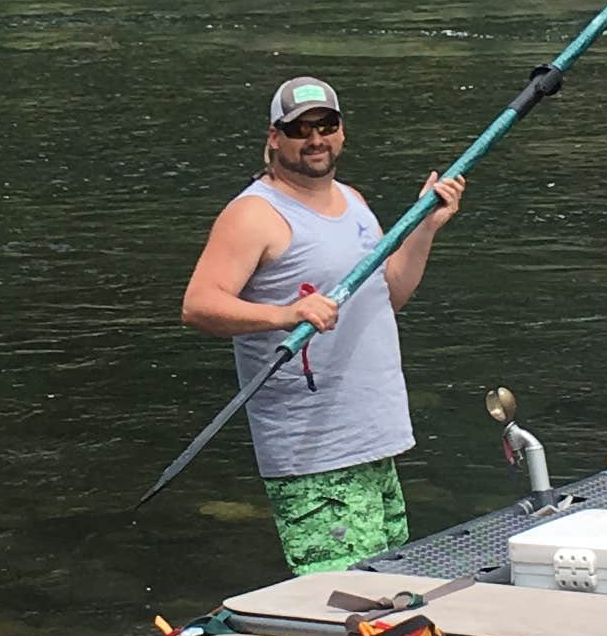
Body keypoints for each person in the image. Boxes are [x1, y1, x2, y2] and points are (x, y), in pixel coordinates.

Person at [180, 74, 465, 571]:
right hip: (314, 453)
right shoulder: (254, 215)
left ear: (342, 131)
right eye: (299, 129)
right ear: (274, 138)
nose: (314, 139)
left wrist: (423, 230)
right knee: (343, 602)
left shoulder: (353, 201)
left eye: (326, 125)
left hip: (375, 439)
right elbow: (199, 305)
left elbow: (387, 296)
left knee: (389, 591)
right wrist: (285, 314)